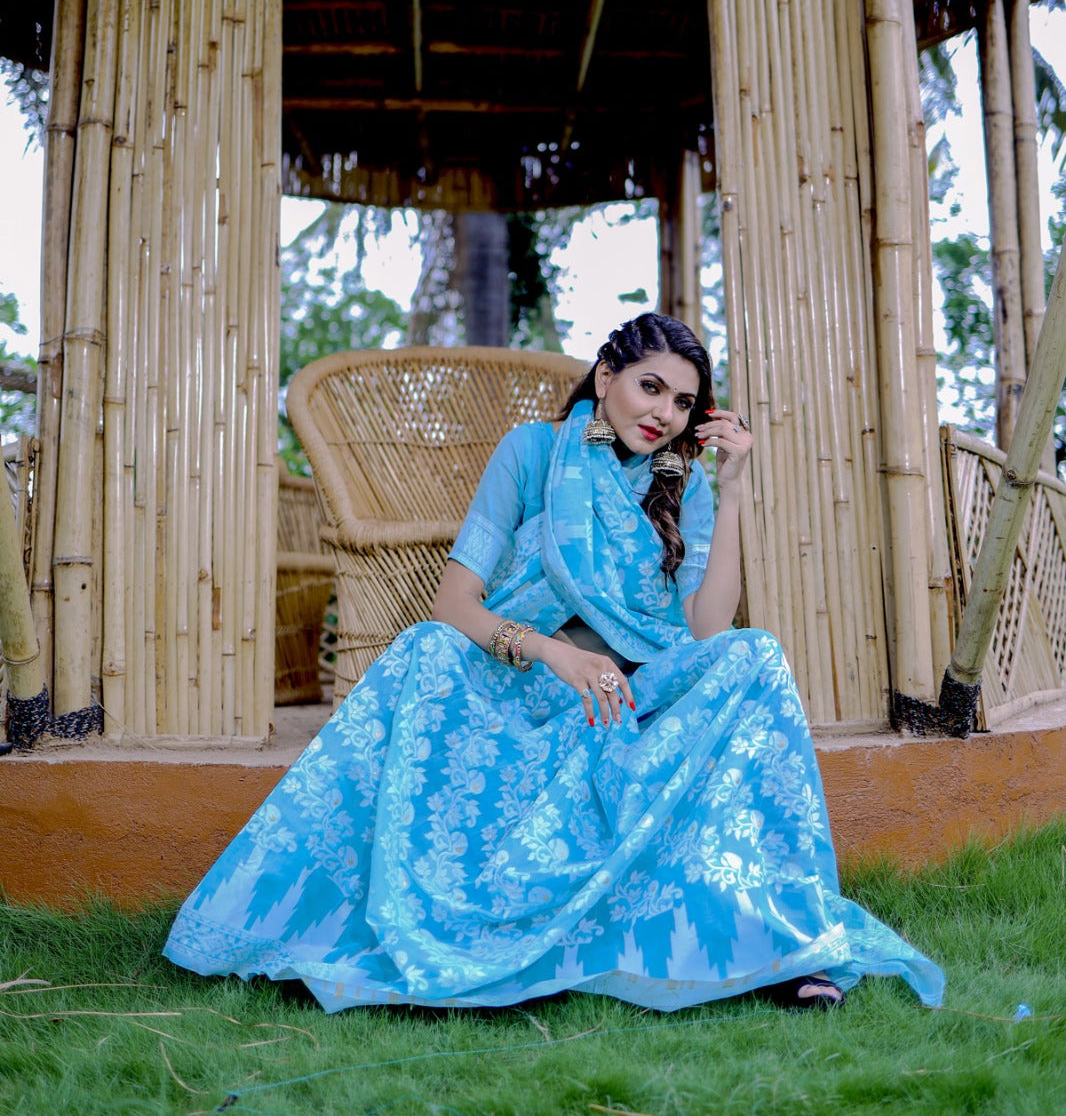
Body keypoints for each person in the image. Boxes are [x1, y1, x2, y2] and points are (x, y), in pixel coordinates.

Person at [164, 313, 945, 1013]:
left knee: (755, 654)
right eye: (649, 387)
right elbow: (455, 603)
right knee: (426, 648)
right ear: (605, 378)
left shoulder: (683, 485)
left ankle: (786, 942)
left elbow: (706, 631)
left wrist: (733, 490)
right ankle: (381, 919)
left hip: (634, 691)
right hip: (522, 681)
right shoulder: (533, 452)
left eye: (682, 403)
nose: (663, 414)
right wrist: (552, 653)